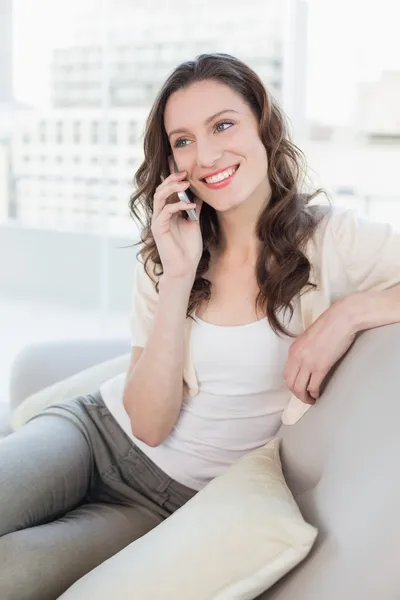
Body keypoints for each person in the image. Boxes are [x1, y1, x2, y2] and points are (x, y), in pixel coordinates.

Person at [1, 52, 400, 600]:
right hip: (93, 431)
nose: (205, 154)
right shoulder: (169, 247)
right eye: (182, 140)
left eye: (224, 125)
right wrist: (179, 274)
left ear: (265, 125)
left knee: (10, 574)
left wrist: (351, 313)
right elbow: (147, 422)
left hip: (168, 500)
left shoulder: (332, 240)